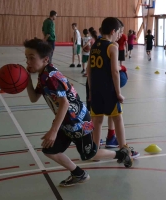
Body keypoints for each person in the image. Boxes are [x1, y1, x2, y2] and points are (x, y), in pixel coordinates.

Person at [24, 38, 133, 186]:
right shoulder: (43, 75)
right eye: (26, 58)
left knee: (90, 154)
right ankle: (78, 173)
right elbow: (33, 98)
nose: (28, 62)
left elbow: (64, 103)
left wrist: (53, 130)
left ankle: (121, 153)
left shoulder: (51, 77)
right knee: (49, 150)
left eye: (32, 58)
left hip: (78, 122)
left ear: (45, 59)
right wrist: (26, 80)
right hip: (66, 121)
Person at [86, 17, 137, 161]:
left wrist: (90, 92)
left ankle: (95, 150)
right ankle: (124, 149)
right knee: (118, 118)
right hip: (109, 91)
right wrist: (119, 93)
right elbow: (115, 72)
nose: (119, 35)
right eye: (119, 32)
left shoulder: (94, 45)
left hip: (95, 91)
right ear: (113, 31)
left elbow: (89, 70)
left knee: (97, 121)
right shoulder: (112, 47)